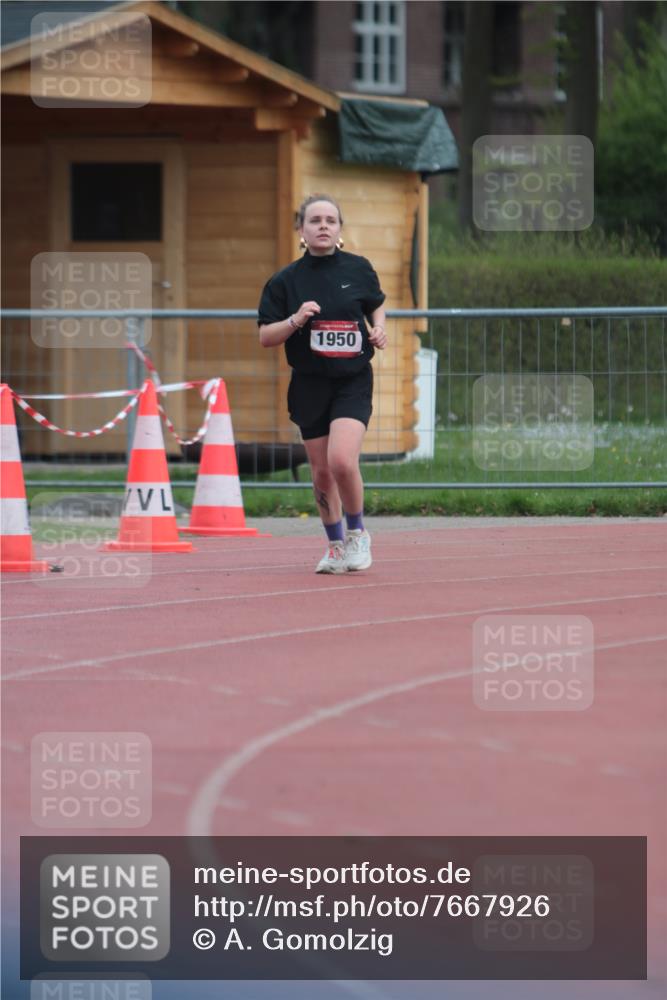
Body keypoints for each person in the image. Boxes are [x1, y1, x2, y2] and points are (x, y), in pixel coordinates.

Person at [258, 194, 387, 574]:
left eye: (331, 220)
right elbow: (266, 336)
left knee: (342, 460)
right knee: (321, 471)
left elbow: (376, 303)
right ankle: (334, 545)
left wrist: (379, 328)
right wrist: (296, 319)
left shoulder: (359, 269)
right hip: (309, 383)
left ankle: (358, 535)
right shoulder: (285, 281)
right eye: (315, 220)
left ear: (340, 230)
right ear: (302, 230)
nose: (324, 226)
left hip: (352, 380)